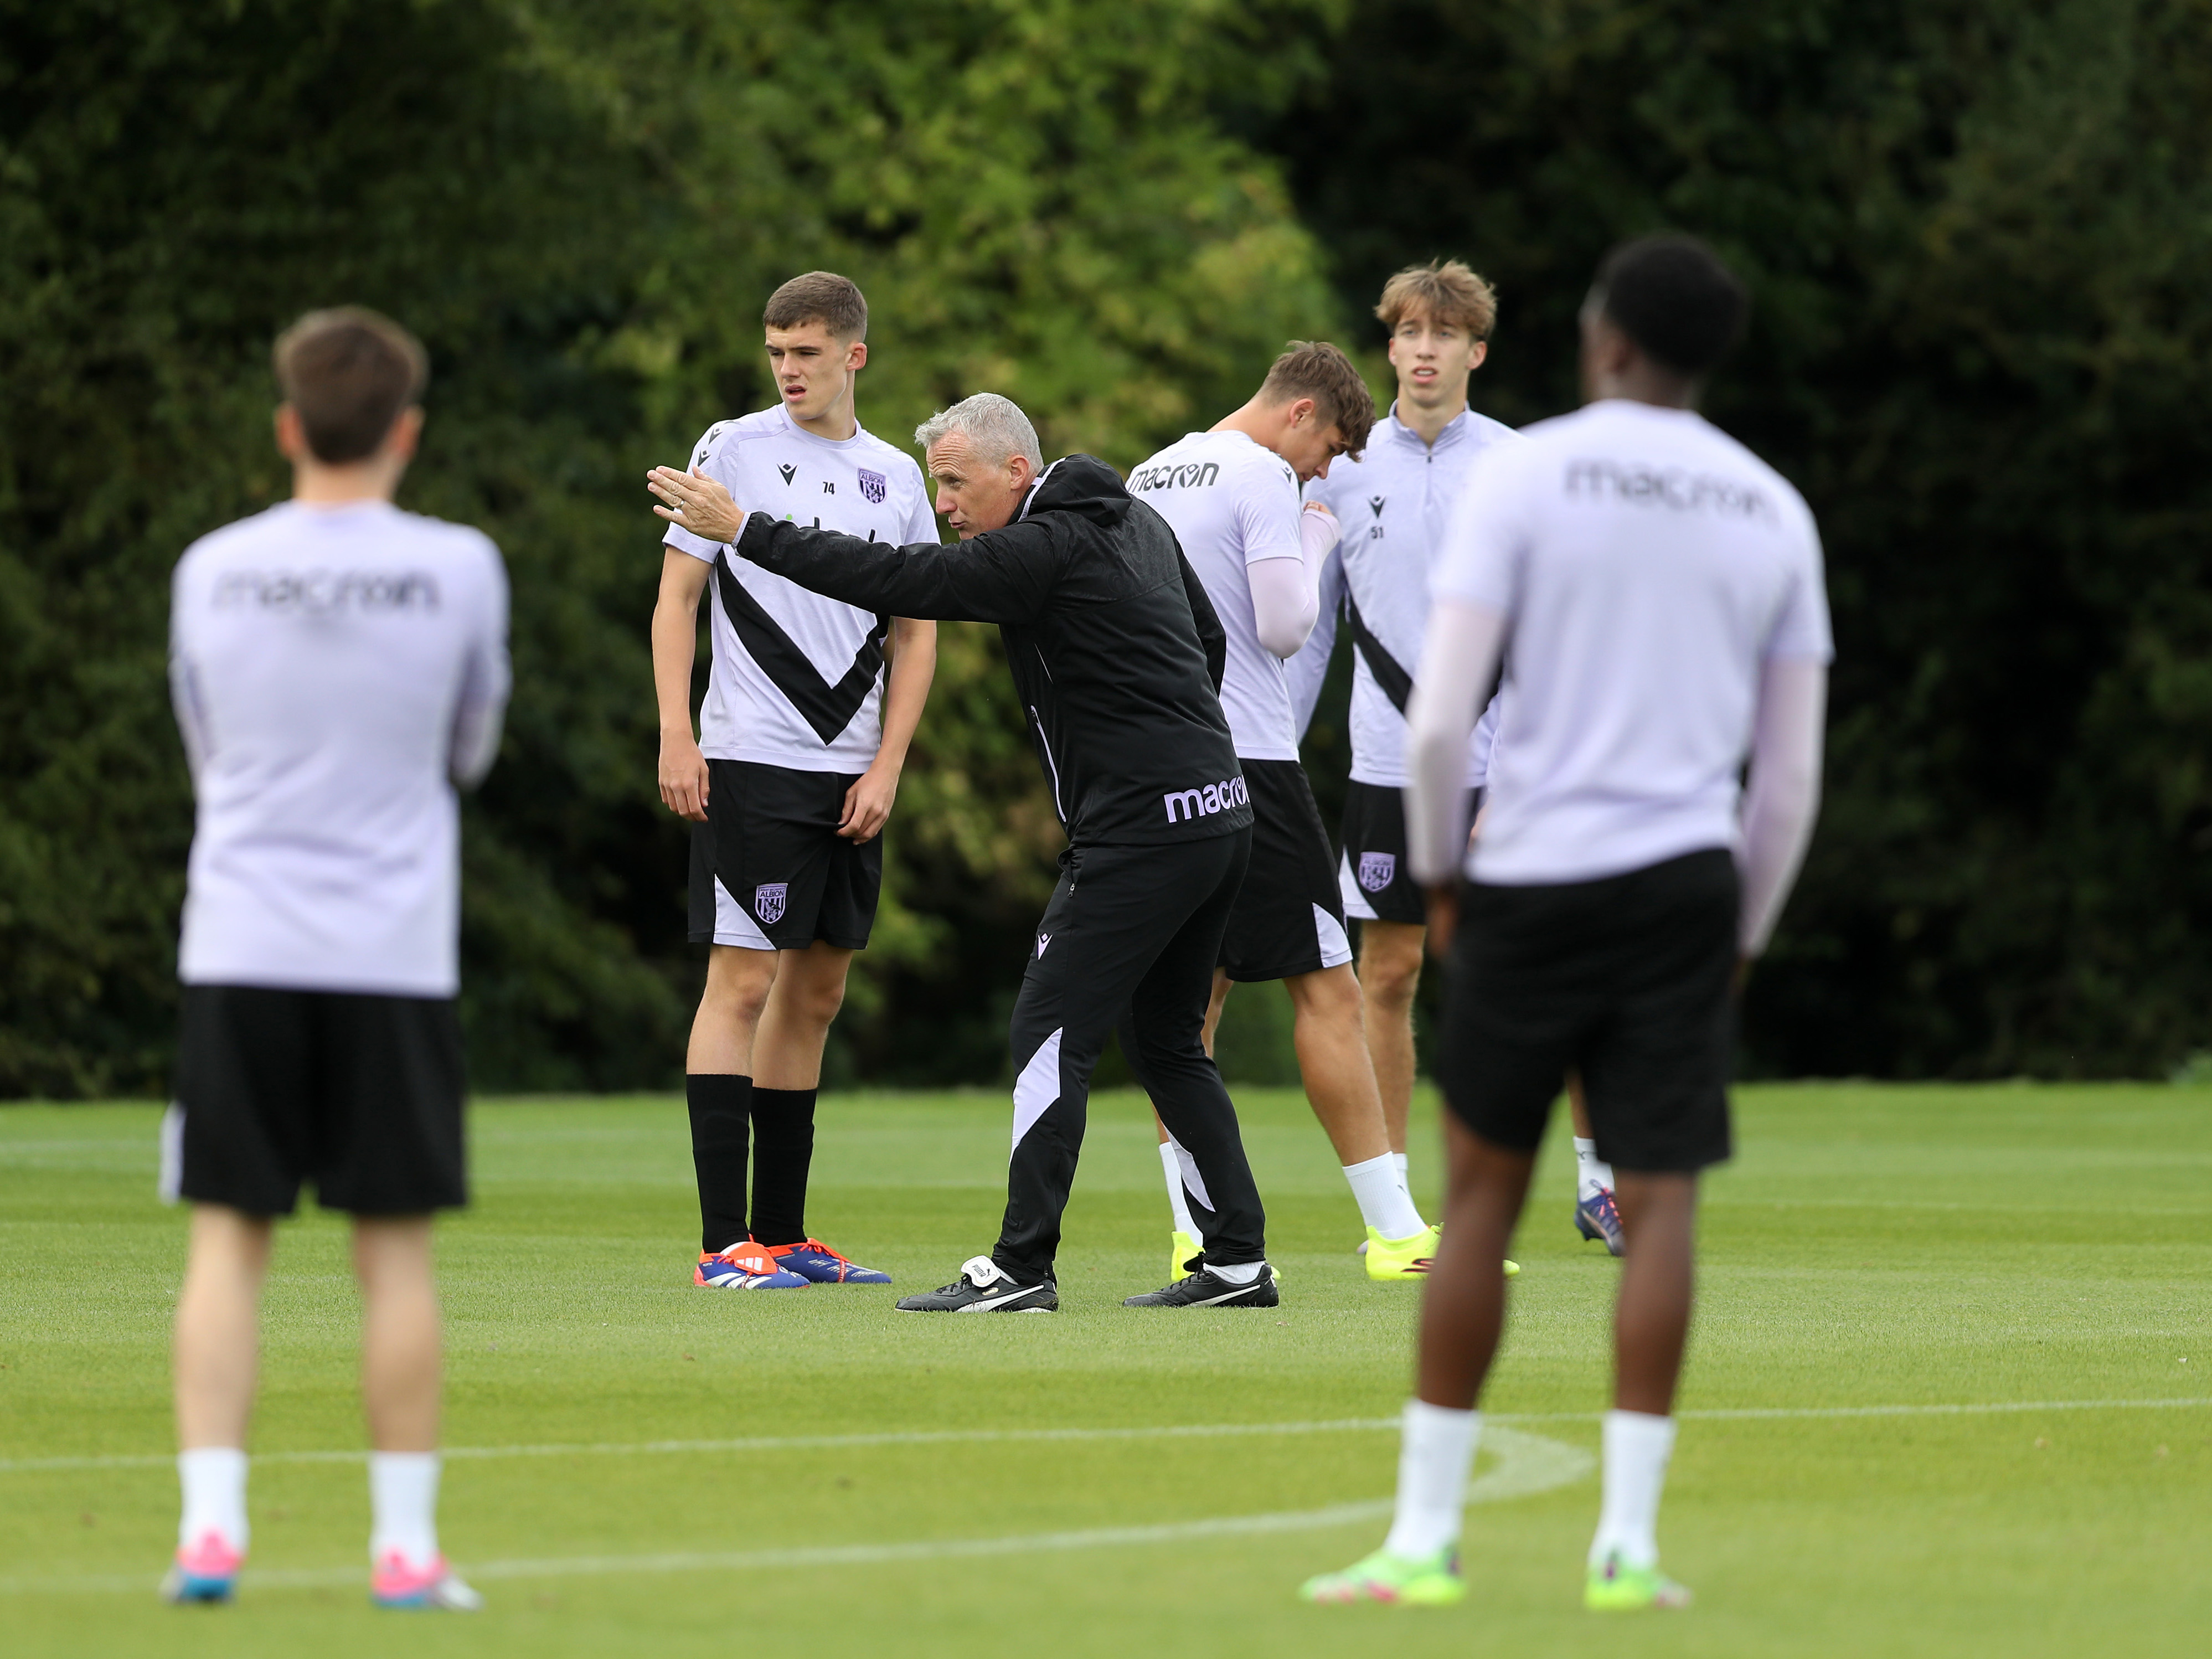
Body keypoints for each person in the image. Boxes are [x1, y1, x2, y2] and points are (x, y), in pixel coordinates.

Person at [1301, 235, 1829, 1611]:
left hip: (1530, 863)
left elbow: (1439, 715)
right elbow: (1791, 780)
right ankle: (1629, 1548)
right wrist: (1747, 938)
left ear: (1600, 342)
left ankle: (1423, 1540)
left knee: (1478, 1201)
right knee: (1662, 1215)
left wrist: (1450, 879)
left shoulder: (1529, 472)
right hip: (1684, 879)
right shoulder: (1773, 507)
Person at [648, 393, 1278, 1312]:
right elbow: (1207, 640)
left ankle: (1021, 1267)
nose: (944, 504)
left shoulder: (1039, 548)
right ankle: (1235, 1260)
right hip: (1222, 812)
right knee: (1169, 1041)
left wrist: (747, 529)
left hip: (1143, 830)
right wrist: (1163, 740)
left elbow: (902, 582)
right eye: (937, 482)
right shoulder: (1135, 519)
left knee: (1045, 1036)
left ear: (1016, 472)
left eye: (955, 482)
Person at [162, 308, 510, 1610]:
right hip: (392, 951)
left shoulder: (211, 566)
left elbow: (207, 749)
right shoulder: (463, 565)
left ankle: (210, 1528)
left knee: (225, 1244)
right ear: (407, 431)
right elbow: (469, 748)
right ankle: (405, 1549)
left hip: (239, 940)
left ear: (288, 426)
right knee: (396, 1256)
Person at [1125, 343, 1447, 1282]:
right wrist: (1315, 533)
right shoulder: (1264, 473)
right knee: (1329, 991)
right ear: (1300, 414)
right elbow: (1283, 625)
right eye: (1330, 450)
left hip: (1157, 764)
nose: (1326, 473)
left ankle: (1192, 1232)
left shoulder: (1152, 469)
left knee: (1187, 1010)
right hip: (1250, 761)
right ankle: (1395, 1234)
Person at [652, 271, 938, 1291]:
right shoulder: (731, 448)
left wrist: (889, 762)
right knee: (743, 980)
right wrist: (677, 736)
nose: (788, 371)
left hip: (851, 772)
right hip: (750, 756)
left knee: (816, 992)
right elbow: (676, 601)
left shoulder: (897, 476)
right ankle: (722, 1245)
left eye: (807, 353)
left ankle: (782, 1235)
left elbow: (917, 629)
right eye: (777, 352)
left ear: (853, 355)